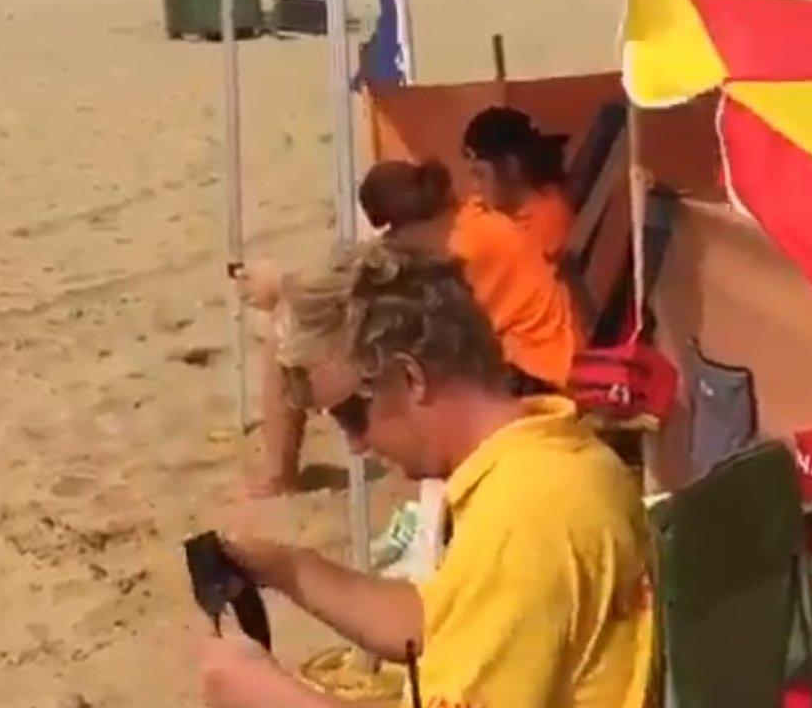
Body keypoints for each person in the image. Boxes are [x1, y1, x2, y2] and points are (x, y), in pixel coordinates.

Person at [119, 241, 659, 708]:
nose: (353, 443)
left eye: (352, 413)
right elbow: (433, 623)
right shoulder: (555, 459)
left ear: (410, 377)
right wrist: (288, 568)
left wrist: (270, 694)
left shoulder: (527, 516)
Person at [241, 160, 579, 496]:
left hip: (539, 375)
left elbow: (379, 292)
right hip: (535, 361)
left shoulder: (459, 248)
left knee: (286, 335)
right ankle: (279, 473)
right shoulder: (474, 221)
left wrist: (283, 292)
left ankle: (279, 475)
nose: (389, 243)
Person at [461, 106, 576, 264]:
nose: (476, 187)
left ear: (511, 166)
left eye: (480, 175)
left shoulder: (547, 218)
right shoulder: (507, 209)